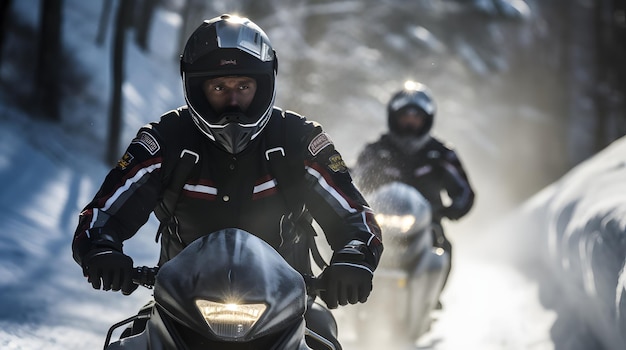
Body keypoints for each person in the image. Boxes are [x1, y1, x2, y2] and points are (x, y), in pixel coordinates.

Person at [71, 14, 383, 349]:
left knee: (323, 330)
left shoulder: (300, 139)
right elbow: (102, 214)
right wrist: (102, 248)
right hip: (179, 304)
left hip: (292, 304)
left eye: (244, 87)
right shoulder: (165, 139)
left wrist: (353, 257)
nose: (233, 102)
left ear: (264, 85)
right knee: (132, 341)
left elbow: (355, 216)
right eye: (219, 88)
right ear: (196, 87)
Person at [353, 80, 474, 306]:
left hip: (427, 224)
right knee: (349, 245)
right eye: (404, 116)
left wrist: (449, 210)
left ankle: (432, 299)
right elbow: (352, 180)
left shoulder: (441, 154)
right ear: (393, 117)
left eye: (415, 117)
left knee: (443, 248)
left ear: (426, 120)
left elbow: (465, 191)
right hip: (378, 223)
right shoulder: (376, 151)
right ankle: (350, 301)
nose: (410, 122)